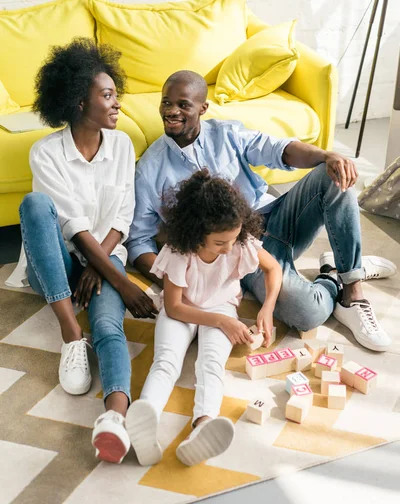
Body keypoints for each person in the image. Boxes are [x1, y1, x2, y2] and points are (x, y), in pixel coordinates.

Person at [126, 70, 396, 353]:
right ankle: (332, 274)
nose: (171, 111)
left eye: (183, 104)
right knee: (307, 314)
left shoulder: (227, 133)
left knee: (336, 172)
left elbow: (280, 150)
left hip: (276, 216)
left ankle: (352, 289)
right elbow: (138, 241)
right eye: (166, 103)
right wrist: (177, 281)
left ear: (203, 108)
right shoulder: (150, 169)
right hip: (237, 251)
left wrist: (327, 156)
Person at [8, 38, 157, 464]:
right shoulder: (46, 153)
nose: (117, 104)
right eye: (107, 95)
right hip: (52, 263)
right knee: (35, 205)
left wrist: (106, 267)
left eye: (116, 94)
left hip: (104, 256)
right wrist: (122, 281)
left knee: (111, 329)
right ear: (77, 102)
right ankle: (71, 332)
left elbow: (122, 216)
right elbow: (70, 225)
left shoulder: (123, 145)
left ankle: (113, 418)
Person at [125, 169, 282, 466]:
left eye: (233, 239)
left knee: (211, 364)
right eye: (220, 243)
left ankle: (203, 426)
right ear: (197, 234)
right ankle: (145, 418)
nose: (229, 248)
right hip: (182, 309)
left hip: (221, 307)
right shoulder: (178, 251)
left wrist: (267, 308)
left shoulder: (239, 241)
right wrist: (224, 322)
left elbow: (273, 268)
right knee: (166, 362)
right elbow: (173, 307)